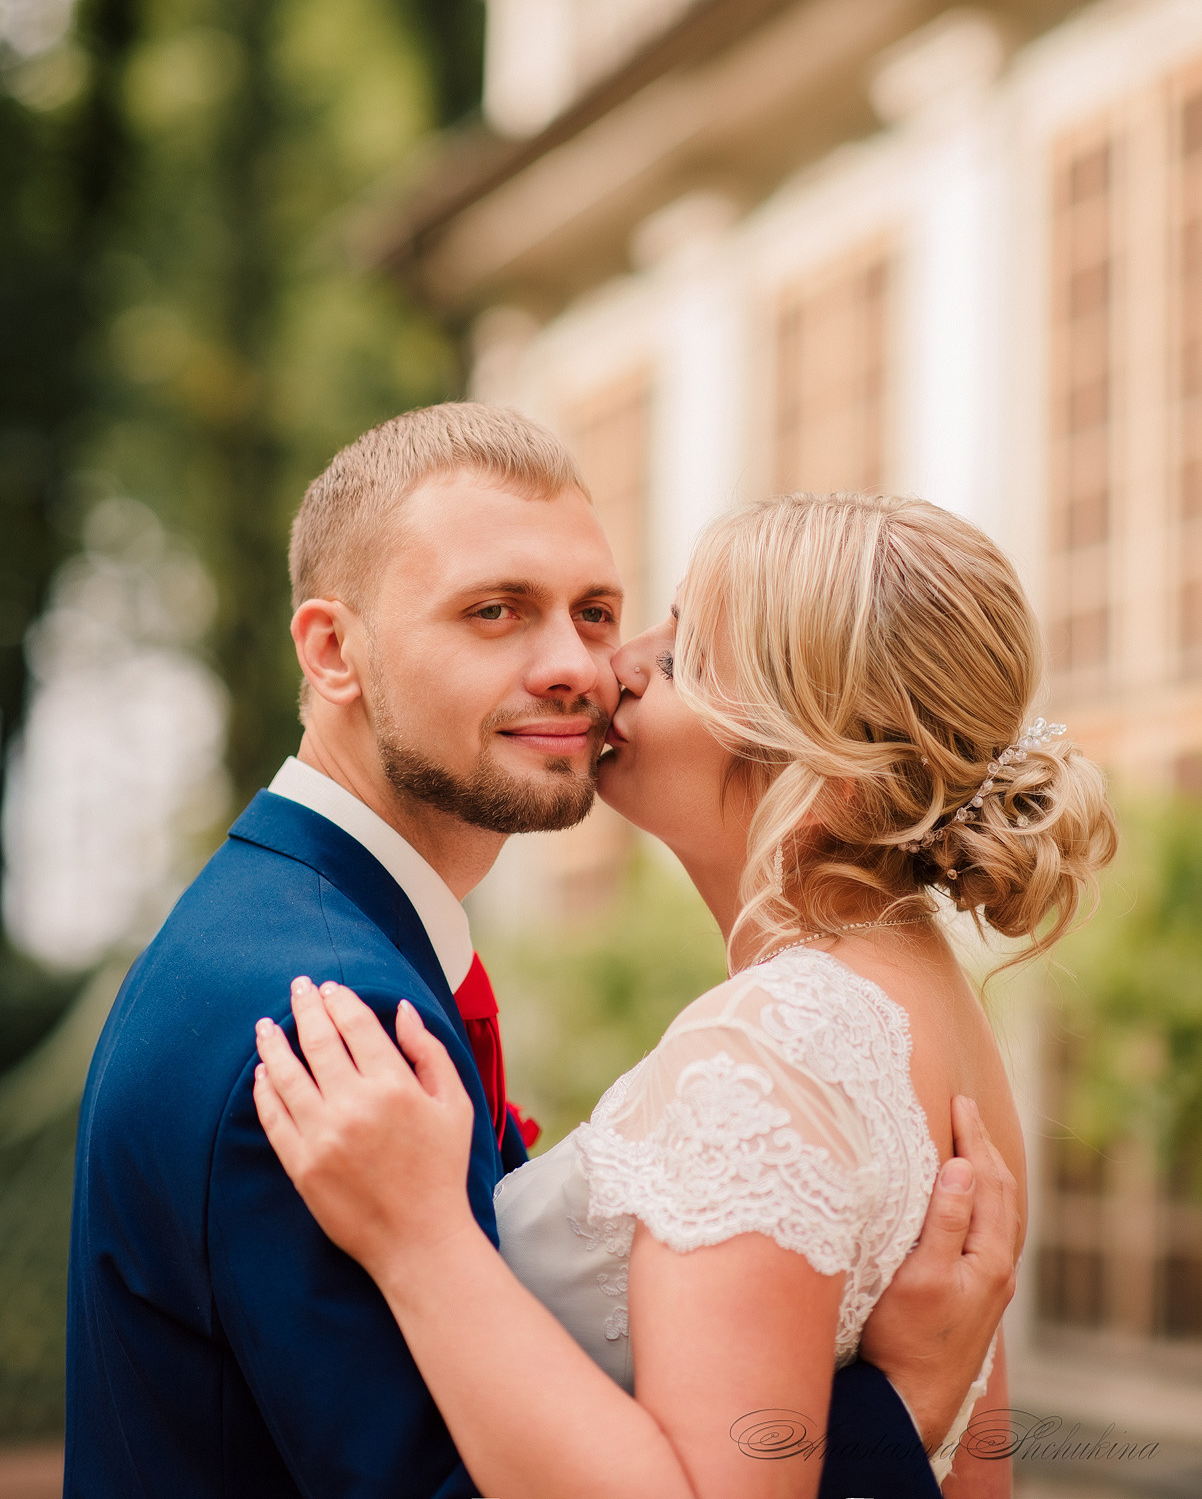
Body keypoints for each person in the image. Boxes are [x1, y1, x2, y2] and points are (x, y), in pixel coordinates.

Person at [67, 406, 1025, 1499]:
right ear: (335, 651)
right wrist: (904, 1412)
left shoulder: (798, 1033)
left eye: (600, 614)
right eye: (495, 611)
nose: (588, 669)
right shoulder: (310, 1023)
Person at [251, 481, 1117, 1499]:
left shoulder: (771, 1045)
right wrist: (906, 1402)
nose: (612, 666)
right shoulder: (936, 1015)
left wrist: (421, 1243)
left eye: (684, 653)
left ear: (825, 768)